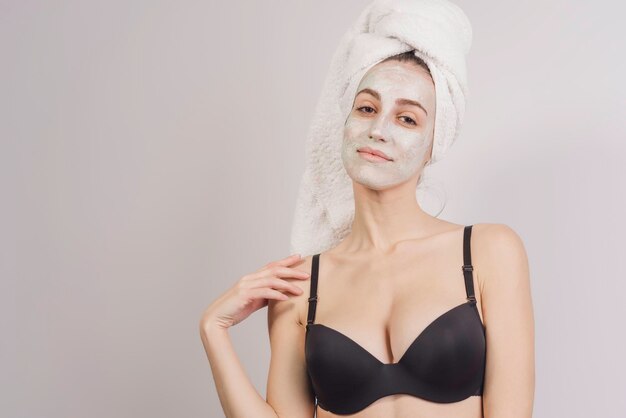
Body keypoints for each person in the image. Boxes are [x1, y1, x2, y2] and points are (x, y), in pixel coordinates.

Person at [199, 1, 534, 417]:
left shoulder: (487, 251)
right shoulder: (301, 286)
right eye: (367, 108)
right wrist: (214, 330)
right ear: (343, 124)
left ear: (435, 142)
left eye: (407, 119)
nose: (378, 130)